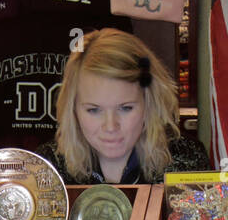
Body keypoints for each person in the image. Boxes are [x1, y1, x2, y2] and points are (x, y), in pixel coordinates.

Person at [35, 28, 207, 184]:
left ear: (149, 103)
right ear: (73, 109)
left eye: (125, 108)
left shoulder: (186, 160)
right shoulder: (48, 168)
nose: (110, 126)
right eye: (94, 110)